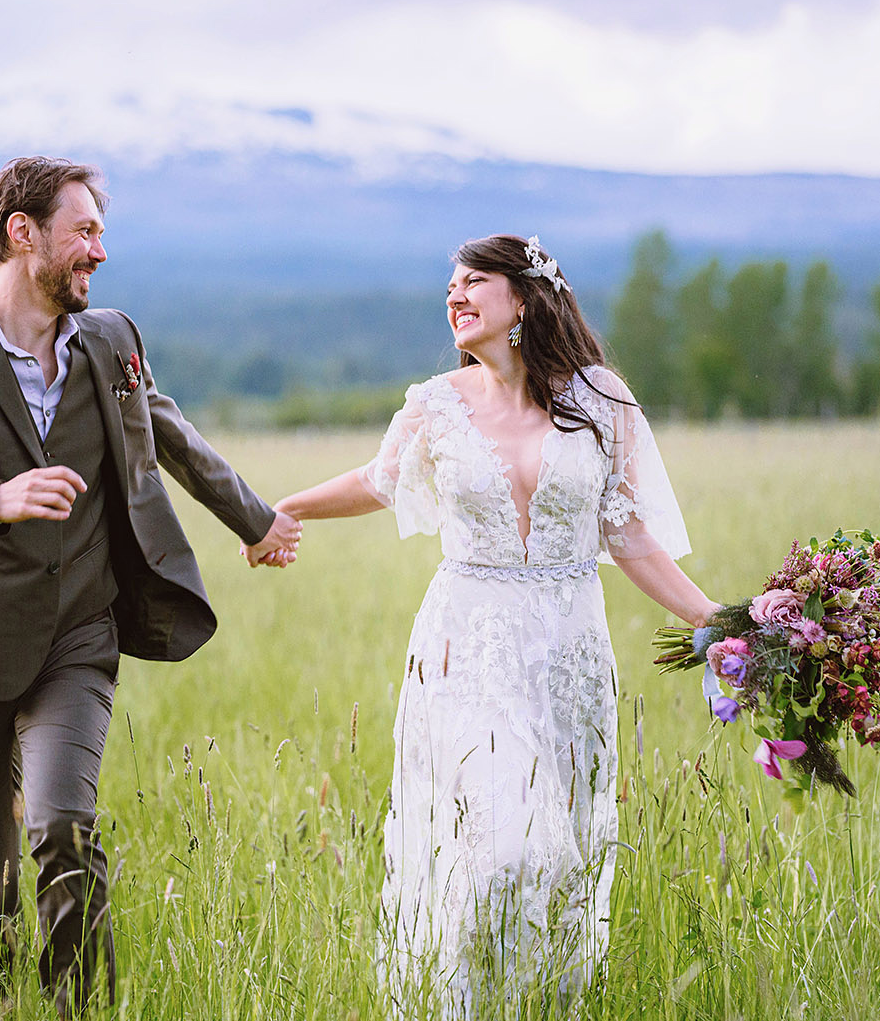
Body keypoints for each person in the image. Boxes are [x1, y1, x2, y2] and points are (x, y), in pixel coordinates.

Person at [0, 156, 300, 1014]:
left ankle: (76, 1011)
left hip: (78, 635)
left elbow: (164, 428)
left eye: (99, 230)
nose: (99, 249)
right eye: (83, 231)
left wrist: (255, 518)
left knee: (61, 824)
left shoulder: (111, 337)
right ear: (24, 235)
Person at [272, 234, 719, 1014]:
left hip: (570, 657)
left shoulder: (600, 400)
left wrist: (720, 621)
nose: (455, 294)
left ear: (524, 298)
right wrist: (285, 507)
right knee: (502, 851)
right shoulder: (434, 403)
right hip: (467, 653)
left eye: (474, 280)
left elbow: (630, 536)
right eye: (450, 283)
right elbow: (379, 481)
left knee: (561, 860)